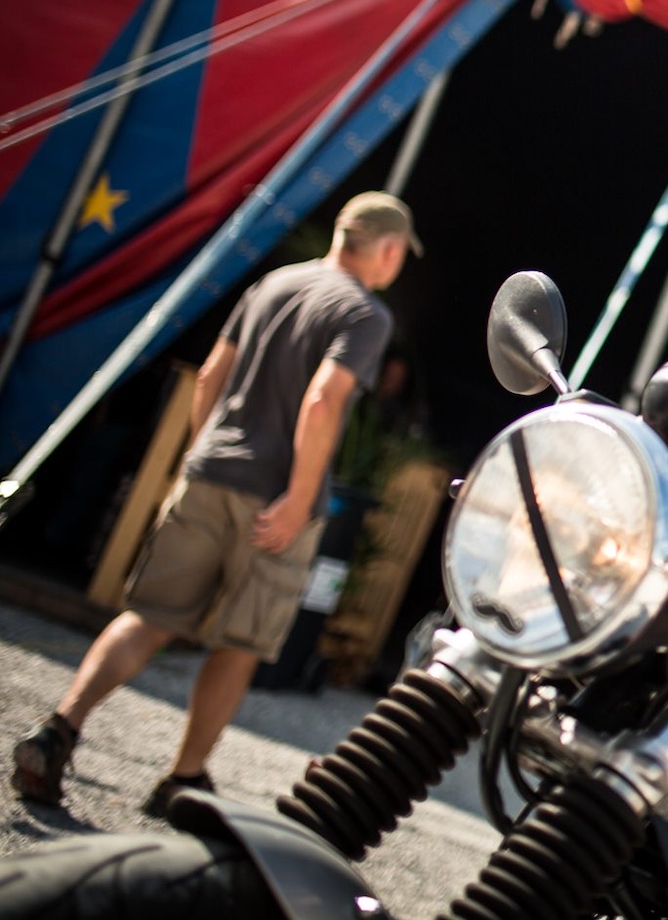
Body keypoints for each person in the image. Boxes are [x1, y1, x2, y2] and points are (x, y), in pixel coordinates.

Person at [10, 191, 418, 817]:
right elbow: (322, 400)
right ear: (387, 251)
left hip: (209, 471)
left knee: (149, 617)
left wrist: (205, 452)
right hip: (275, 499)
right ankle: (183, 777)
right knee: (239, 644)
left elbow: (209, 377)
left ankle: (59, 728)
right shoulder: (365, 314)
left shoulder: (273, 285)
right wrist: (299, 499)